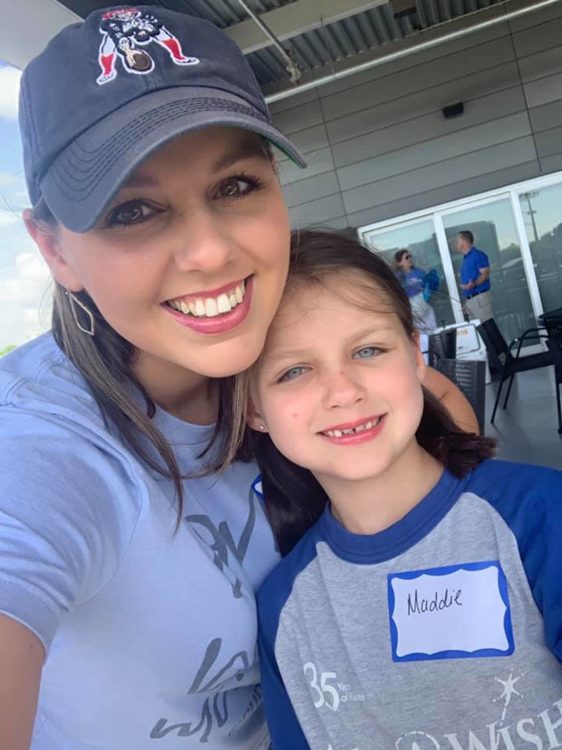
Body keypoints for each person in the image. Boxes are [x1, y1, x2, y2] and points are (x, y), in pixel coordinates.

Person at [0, 8, 478, 749]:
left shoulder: (303, 355)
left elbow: (439, 421)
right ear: (54, 248)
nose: (208, 253)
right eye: (133, 209)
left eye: (235, 186)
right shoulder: (38, 444)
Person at [248, 230, 562, 750]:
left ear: (416, 357)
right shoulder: (284, 606)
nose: (345, 391)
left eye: (368, 349)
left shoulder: (540, 516)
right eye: (294, 370)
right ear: (254, 408)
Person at [394, 249, 437, 332]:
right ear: (400, 262)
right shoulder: (398, 277)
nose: (409, 259)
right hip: (412, 306)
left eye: (410, 256)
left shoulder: (420, 272)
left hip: (425, 303)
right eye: (406, 257)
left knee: (432, 330)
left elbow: (429, 286)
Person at [456, 230, 493, 322]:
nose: (456, 244)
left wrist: (474, 284)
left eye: (457, 241)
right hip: (471, 300)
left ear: (465, 241)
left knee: (487, 329)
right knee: (478, 331)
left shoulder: (477, 255)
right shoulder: (465, 259)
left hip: (480, 299)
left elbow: (486, 273)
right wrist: (467, 302)